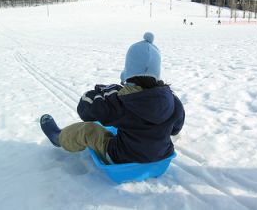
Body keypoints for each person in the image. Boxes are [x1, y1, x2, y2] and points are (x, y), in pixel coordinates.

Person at [40, 32, 185, 164]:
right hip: (162, 155)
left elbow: (85, 109)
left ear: (129, 70)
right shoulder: (173, 100)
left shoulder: (122, 102)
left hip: (123, 157)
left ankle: (58, 137)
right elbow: (176, 129)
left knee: (88, 130)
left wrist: (105, 91)